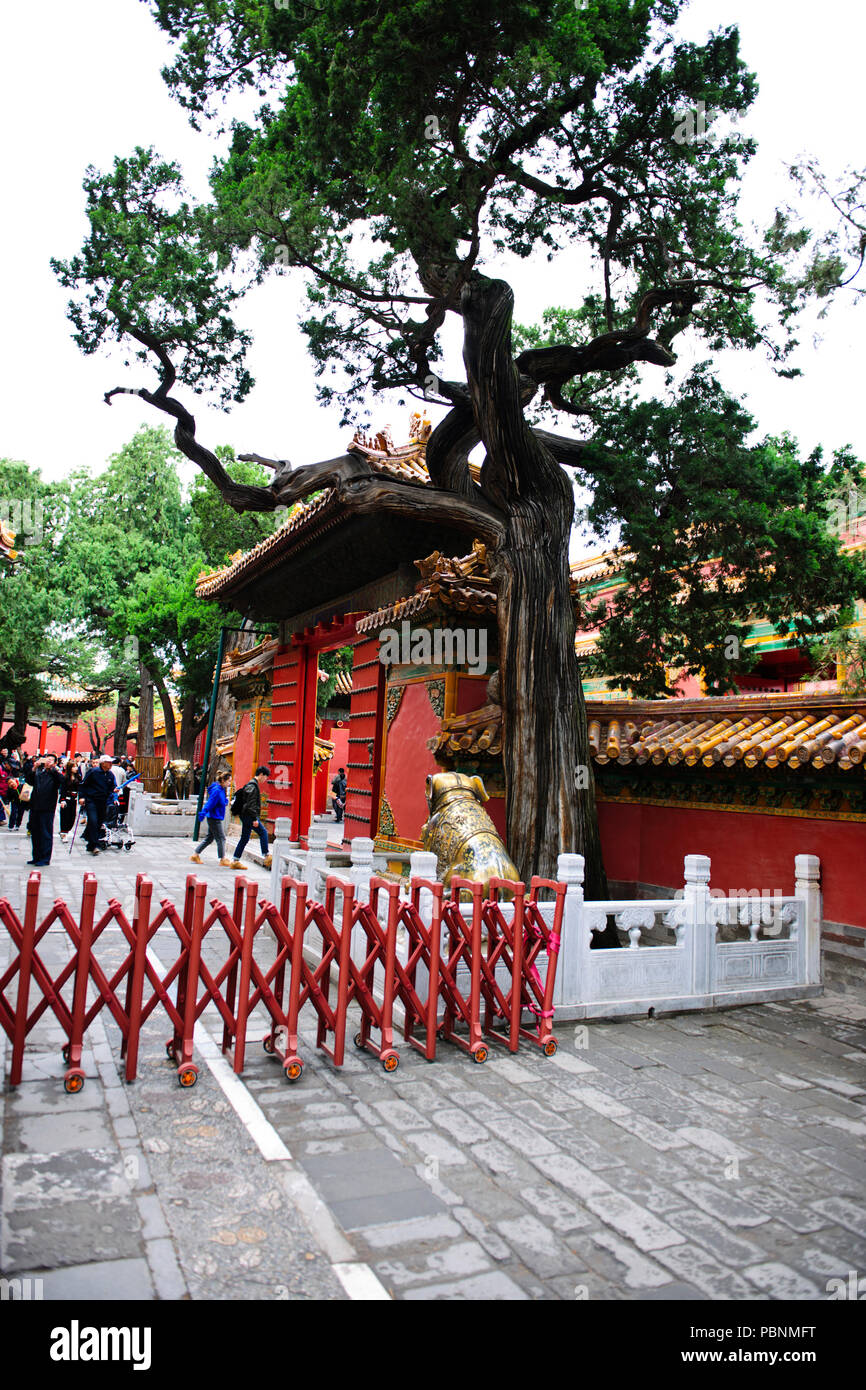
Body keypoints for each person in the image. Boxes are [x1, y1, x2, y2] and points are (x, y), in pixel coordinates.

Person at [23, 754, 64, 865]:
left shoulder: (54, 773)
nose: (48, 761)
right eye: (47, 759)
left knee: (45, 833)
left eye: (51, 760)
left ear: (55, 763)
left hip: (48, 807)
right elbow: (29, 780)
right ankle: (36, 857)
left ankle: (45, 858)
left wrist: (53, 769)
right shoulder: (39, 771)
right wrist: (34, 767)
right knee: (35, 832)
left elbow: (62, 781)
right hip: (35, 805)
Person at [229, 766, 272, 870]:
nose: (265, 779)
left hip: (245, 815)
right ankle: (266, 856)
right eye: (265, 777)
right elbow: (250, 804)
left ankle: (235, 860)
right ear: (261, 774)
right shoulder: (253, 786)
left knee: (244, 838)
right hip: (249, 816)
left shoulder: (251, 784)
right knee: (263, 832)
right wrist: (254, 819)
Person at [190, 770, 232, 866]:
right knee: (221, 838)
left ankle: (195, 854)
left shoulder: (221, 789)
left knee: (209, 838)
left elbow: (221, 801)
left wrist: (225, 802)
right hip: (214, 817)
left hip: (215, 816)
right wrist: (203, 812)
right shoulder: (217, 790)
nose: (229, 783)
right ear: (223, 781)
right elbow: (210, 803)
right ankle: (222, 859)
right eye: (229, 781)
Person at [79, 754, 117, 855]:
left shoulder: (110, 775)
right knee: (93, 820)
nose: (111, 765)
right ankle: (94, 844)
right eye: (109, 763)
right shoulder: (93, 772)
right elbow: (83, 784)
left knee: (99, 822)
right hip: (91, 800)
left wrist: (114, 790)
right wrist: (82, 797)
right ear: (103, 763)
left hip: (103, 802)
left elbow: (112, 787)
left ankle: (91, 843)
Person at [59, 757, 81, 841]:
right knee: (65, 816)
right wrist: (62, 800)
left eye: (76, 766)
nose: (75, 768)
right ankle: (64, 833)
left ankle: (65, 831)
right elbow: (63, 790)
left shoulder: (78, 777)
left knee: (72, 817)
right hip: (66, 799)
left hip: (74, 799)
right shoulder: (65, 778)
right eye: (73, 767)